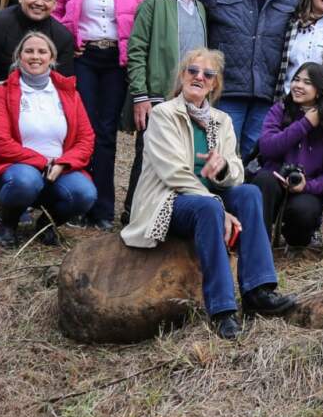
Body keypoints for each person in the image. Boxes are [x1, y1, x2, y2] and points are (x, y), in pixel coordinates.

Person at [121, 48, 295, 340]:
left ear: (214, 84)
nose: (199, 77)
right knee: (209, 210)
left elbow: (237, 169)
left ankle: (258, 290)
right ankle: (223, 309)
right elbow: (173, 173)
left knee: (250, 193)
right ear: (182, 75)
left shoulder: (221, 120)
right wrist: (217, 204)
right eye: (193, 71)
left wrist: (224, 166)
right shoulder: (164, 114)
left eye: (208, 74)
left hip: (209, 200)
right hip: (169, 200)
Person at [52, 0, 147, 229]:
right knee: (84, 130)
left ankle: (102, 208)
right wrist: (67, 42)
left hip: (115, 63)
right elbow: (57, 11)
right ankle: (78, 201)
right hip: (85, 58)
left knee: (106, 134)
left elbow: (141, 26)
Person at [0, 0, 76, 219]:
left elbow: (62, 83)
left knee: (38, 133)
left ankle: (22, 197)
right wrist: (5, 104)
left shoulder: (62, 36)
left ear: (55, 3)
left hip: (37, 105)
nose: (39, 2)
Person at [0, 32, 97, 249]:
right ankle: (8, 223)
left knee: (85, 193)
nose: (36, 56)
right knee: (26, 181)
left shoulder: (70, 93)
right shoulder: (2, 92)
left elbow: (86, 138)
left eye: (42, 51)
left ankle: (46, 224)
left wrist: (63, 163)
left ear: (51, 58)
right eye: (29, 51)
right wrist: (42, 162)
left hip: (59, 170)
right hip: (16, 169)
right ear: (19, 57)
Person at [122, 0, 209, 223]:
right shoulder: (154, 2)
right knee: (147, 157)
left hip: (189, 99)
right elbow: (136, 50)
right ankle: (132, 214)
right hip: (157, 97)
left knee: (179, 158)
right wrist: (140, 95)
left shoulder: (200, 9)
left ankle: (163, 215)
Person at [196, 0, 298, 157]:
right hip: (225, 91)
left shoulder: (289, 0)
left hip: (265, 95)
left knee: (255, 159)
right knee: (217, 153)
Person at [250, 62, 323, 248]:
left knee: (304, 214)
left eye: (307, 82)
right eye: (296, 80)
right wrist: (305, 124)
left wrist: (308, 186)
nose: (298, 86)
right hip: (274, 182)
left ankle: (295, 239)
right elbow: (267, 147)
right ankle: (259, 247)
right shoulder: (280, 109)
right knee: (262, 180)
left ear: (319, 90)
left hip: (306, 189)